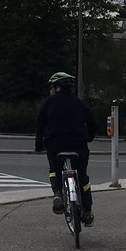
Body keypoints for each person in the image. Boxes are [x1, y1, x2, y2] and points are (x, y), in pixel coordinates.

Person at [34, 71, 98, 226]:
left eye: (51, 87)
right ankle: (87, 210)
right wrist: (88, 137)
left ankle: (58, 194)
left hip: (55, 144)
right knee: (83, 177)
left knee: (54, 170)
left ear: (57, 88)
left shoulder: (48, 103)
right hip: (78, 144)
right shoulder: (79, 104)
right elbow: (93, 124)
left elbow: (40, 124)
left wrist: (39, 144)